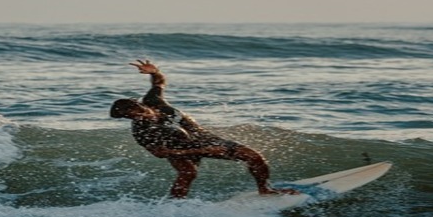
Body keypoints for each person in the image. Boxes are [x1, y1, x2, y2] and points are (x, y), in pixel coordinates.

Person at [110, 60, 297, 199]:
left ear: (138, 105)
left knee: (253, 156)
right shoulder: (142, 130)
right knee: (187, 173)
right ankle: (175, 206)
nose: (136, 118)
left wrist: (154, 72)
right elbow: (159, 153)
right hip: (177, 148)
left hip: (202, 137)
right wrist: (194, 152)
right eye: (129, 117)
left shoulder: (153, 101)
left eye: (135, 113)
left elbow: (158, 83)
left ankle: (265, 189)